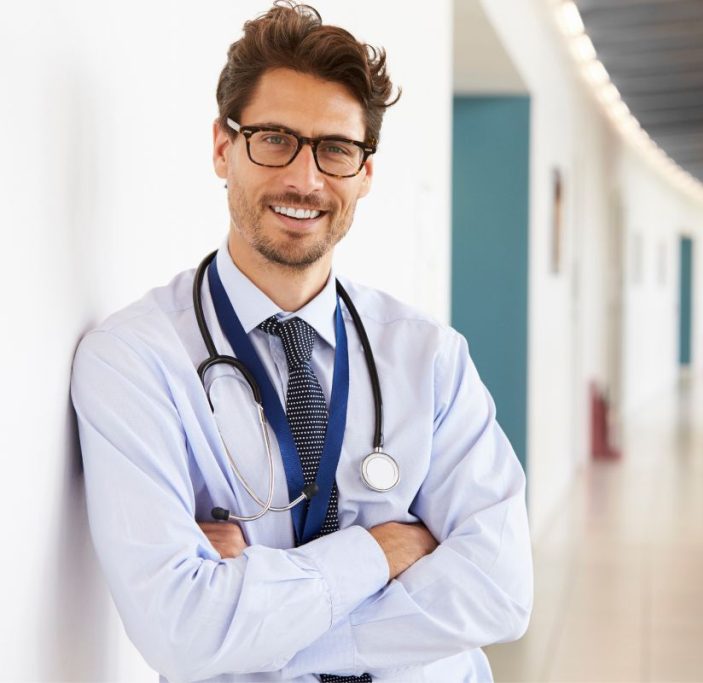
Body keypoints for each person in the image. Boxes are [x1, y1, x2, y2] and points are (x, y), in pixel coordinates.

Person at [69, 3, 532, 681]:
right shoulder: (135, 361)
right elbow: (182, 631)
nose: (305, 179)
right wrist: (382, 552)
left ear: (365, 173)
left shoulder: (428, 357)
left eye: (335, 149)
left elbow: (501, 587)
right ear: (223, 148)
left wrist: (258, 622)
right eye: (274, 139)